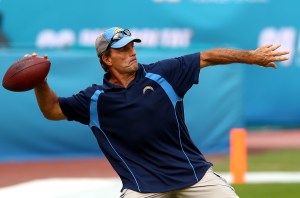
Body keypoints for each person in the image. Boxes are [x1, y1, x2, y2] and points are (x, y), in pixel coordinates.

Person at [31, 27, 289, 198]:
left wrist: (251, 56)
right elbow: (52, 110)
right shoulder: (95, 99)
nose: (131, 52)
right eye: (122, 49)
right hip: (143, 187)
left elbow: (208, 56)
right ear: (107, 59)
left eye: (132, 46)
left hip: (192, 176)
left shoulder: (163, 74)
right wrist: (40, 82)